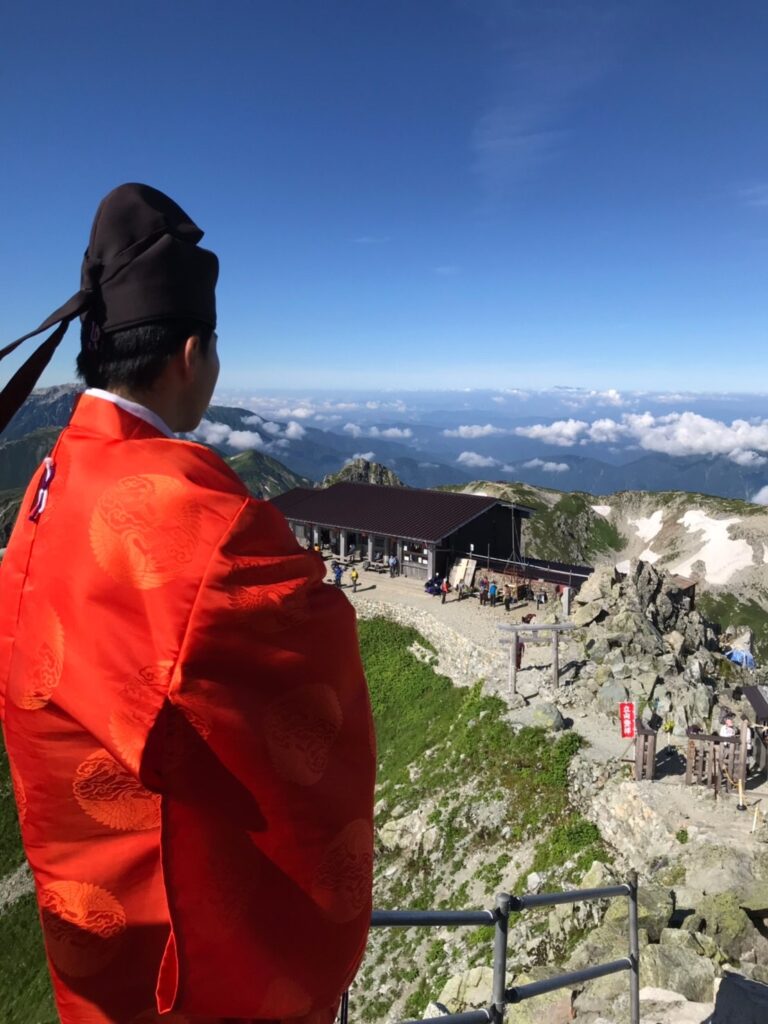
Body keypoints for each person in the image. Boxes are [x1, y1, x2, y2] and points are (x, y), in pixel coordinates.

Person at [0, 184, 375, 1024]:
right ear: (194, 351)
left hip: (90, 936)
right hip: (177, 965)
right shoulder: (196, 517)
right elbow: (313, 657)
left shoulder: (47, 483)